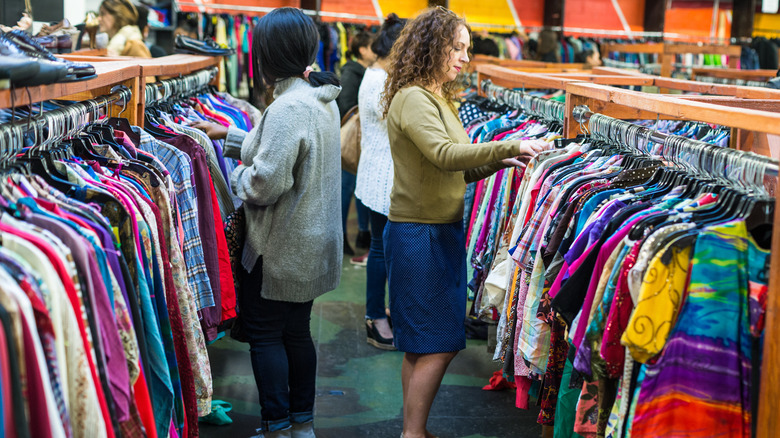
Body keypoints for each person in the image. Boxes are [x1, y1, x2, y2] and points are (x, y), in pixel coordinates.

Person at [381, 7, 549, 438]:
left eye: (467, 49)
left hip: (437, 231)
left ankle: (413, 429)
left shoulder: (436, 97)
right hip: (420, 234)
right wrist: (504, 145)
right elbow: (443, 154)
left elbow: (455, 168)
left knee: (424, 343)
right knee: (440, 341)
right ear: (432, 46)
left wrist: (500, 161)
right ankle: (413, 433)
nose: (463, 57)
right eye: (456, 47)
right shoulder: (414, 97)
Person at [192, 7, 343, 438]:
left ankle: (276, 425)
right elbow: (290, 151)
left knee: (265, 335)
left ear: (266, 54)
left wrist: (229, 173)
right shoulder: (320, 96)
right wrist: (229, 136)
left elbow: (263, 185)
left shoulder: (286, 107)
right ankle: (301, 425)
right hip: (313, 243)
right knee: (297, 333)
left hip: (281, 247)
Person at [354, 13, 405, 350]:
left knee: (383, 251)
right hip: (381, 181)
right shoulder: (379, 81)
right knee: (383, 252)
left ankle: (380, 313)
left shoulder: (379, 75)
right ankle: (376, 316)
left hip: (379, 178)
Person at [336, 30, 375, 257]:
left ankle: (361, 233)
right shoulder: (352, 74)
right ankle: (340, 239)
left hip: (361, 141)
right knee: (346, 191)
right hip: (352, 142)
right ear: (362, 50)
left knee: (356, 189)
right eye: (372, 47)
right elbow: (346, 106)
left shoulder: (365, 72)